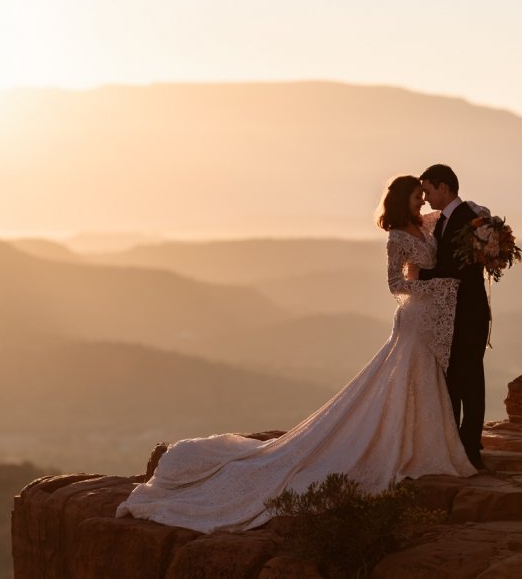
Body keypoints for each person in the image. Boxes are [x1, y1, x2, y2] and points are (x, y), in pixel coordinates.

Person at [114, 175, 476, 534]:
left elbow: (463, 217)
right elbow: (395, 285)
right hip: (414, 319)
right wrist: (434, 285)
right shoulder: (397, 237)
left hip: (431, 320)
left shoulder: (424, 225)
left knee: (423, 378)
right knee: (409, 375)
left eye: (423, 196)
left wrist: (485, 230)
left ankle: (420, 441)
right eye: (416, 197)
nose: (422, 202)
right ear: (402, 201)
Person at [418, 164, 491, 469]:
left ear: (444, 187)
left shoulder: (470, 219)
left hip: (470, 312)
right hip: (450, 313)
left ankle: (471, 448)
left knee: (470, 379)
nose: (425, 197)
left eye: (428, 190)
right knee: (453, 380)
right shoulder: (442, 221)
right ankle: (455, 445)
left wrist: (423, 274)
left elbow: (462, 269)